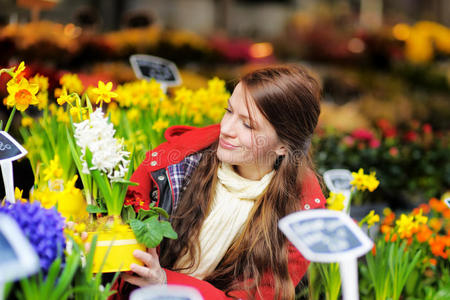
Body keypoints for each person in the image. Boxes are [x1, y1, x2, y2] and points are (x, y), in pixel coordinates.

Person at [114, 65, 326, 300]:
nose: (225, 129)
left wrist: (165, 281)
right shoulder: (176, 163)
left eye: (247, 124)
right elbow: (116, 240)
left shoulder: (300, 214)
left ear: (283, 146)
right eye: (228, 111)